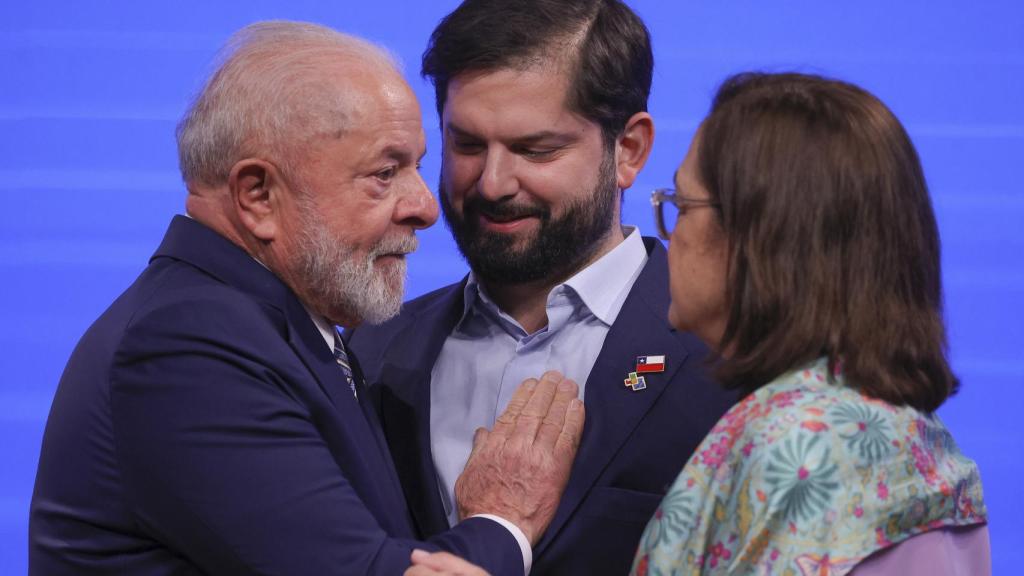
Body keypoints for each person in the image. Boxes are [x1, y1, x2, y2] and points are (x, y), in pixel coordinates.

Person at [29, 21, 586, 576]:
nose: (425, 206)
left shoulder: (283, 326)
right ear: (258, 195)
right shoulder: (188, 342)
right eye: (384, 172)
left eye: (418, 166)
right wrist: (503, 521)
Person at [345, 1, 738, 574]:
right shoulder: (370, 355)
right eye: (467, 145)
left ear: (628, 150)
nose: (494, 183)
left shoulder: (733, 354)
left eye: (536, 149)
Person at [630, 73, 989, 575]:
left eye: (683, 206)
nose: (671, 235)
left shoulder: (798, 450)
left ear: (763, 241)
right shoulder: (908, 435)